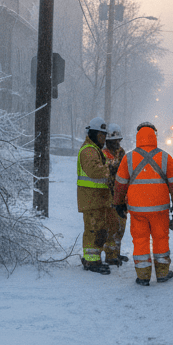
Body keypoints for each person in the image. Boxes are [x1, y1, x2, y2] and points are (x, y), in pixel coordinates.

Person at [113, 122, 173, 286]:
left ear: (138, 136)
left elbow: (120, 184)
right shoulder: (165, 157)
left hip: (137, 209)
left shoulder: (128, 158)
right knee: (161, 239)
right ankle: (162, 273)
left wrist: (118, 204)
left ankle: (143, 275)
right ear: (154, 136)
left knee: (140, 240)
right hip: (160, 208)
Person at [77, 117, 114, 274]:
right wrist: (111, 169)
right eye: (101, 135)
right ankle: (92, 262)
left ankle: (93, 259)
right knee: (93, 230)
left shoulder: (94, 150)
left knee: (98, 229)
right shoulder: (88, 151)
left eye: (104, 135)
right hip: (92, 199)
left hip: (96, 199)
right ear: (92, 133)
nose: (104, 138)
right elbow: (94, 171)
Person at [102, 123, 128, 266]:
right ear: (108, 141)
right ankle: (110, 255)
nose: (117, 143)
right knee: (112, 227)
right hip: (109, 195)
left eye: (118, 140)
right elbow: (109, 172)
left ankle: (116, 252)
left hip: (122, 195)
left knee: (120, 226)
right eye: (114, 141)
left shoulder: (122, 152)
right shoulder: (104, 154)